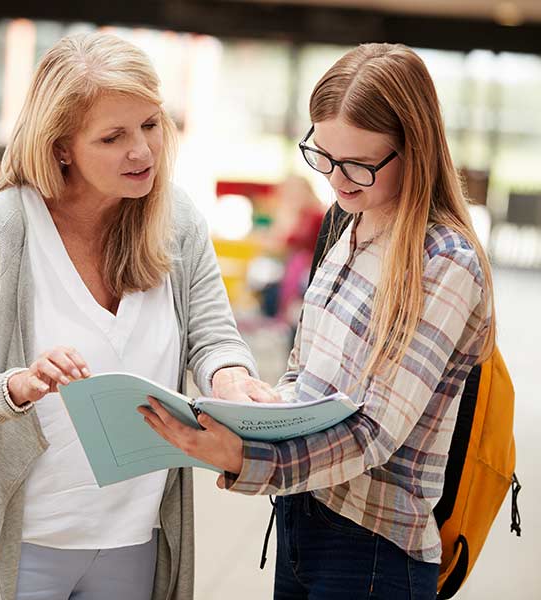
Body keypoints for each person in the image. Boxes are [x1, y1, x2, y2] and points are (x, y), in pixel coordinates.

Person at [139, 43, 496, 599]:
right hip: (302, 518)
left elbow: (376, 432)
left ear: (415, 149)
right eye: (323, 156)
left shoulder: (443, 260)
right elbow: (306, 376)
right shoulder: (346, 224)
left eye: (358, 164)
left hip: (376, 549)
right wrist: (254, 408)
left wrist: (244, 457)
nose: (337, 179)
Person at [0, 32, 279, 600]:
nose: (142, 152)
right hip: (23, 546)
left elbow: (214, 338)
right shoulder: (1, 229)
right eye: (113, 137)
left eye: (150, 125)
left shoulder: (177, 220)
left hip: (135, 541)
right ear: (62, 146)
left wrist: (232, 379)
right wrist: (16, 388)